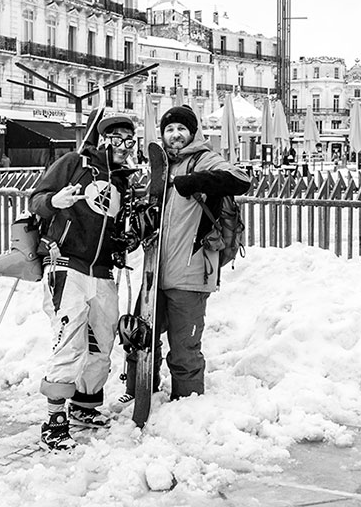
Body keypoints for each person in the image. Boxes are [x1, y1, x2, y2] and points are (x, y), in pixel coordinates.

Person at [123, 106, 250, 406]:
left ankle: (188, 403)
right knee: (141, 338)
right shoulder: (162, 166)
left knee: (184, 347)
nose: (175, 134)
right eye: (169, 130)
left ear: (192, 133)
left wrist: (196, 181)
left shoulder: (204, 159)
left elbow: (240, 179)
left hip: (191, 272)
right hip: (155, 272)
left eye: (181, 129)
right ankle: (140, 391)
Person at [28, 114, 139, 451]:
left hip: (103, 271)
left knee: (102, 343)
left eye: (129, 141)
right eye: (116, 139)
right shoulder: (74, 163)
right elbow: (36, 199)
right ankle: (54, 420)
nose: (123, 147)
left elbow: (117, 228)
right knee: (70, 341)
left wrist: (127, 239)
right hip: (67, 265)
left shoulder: (122, 182)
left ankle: (85, 405)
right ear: (102, 140)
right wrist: (53, 202)